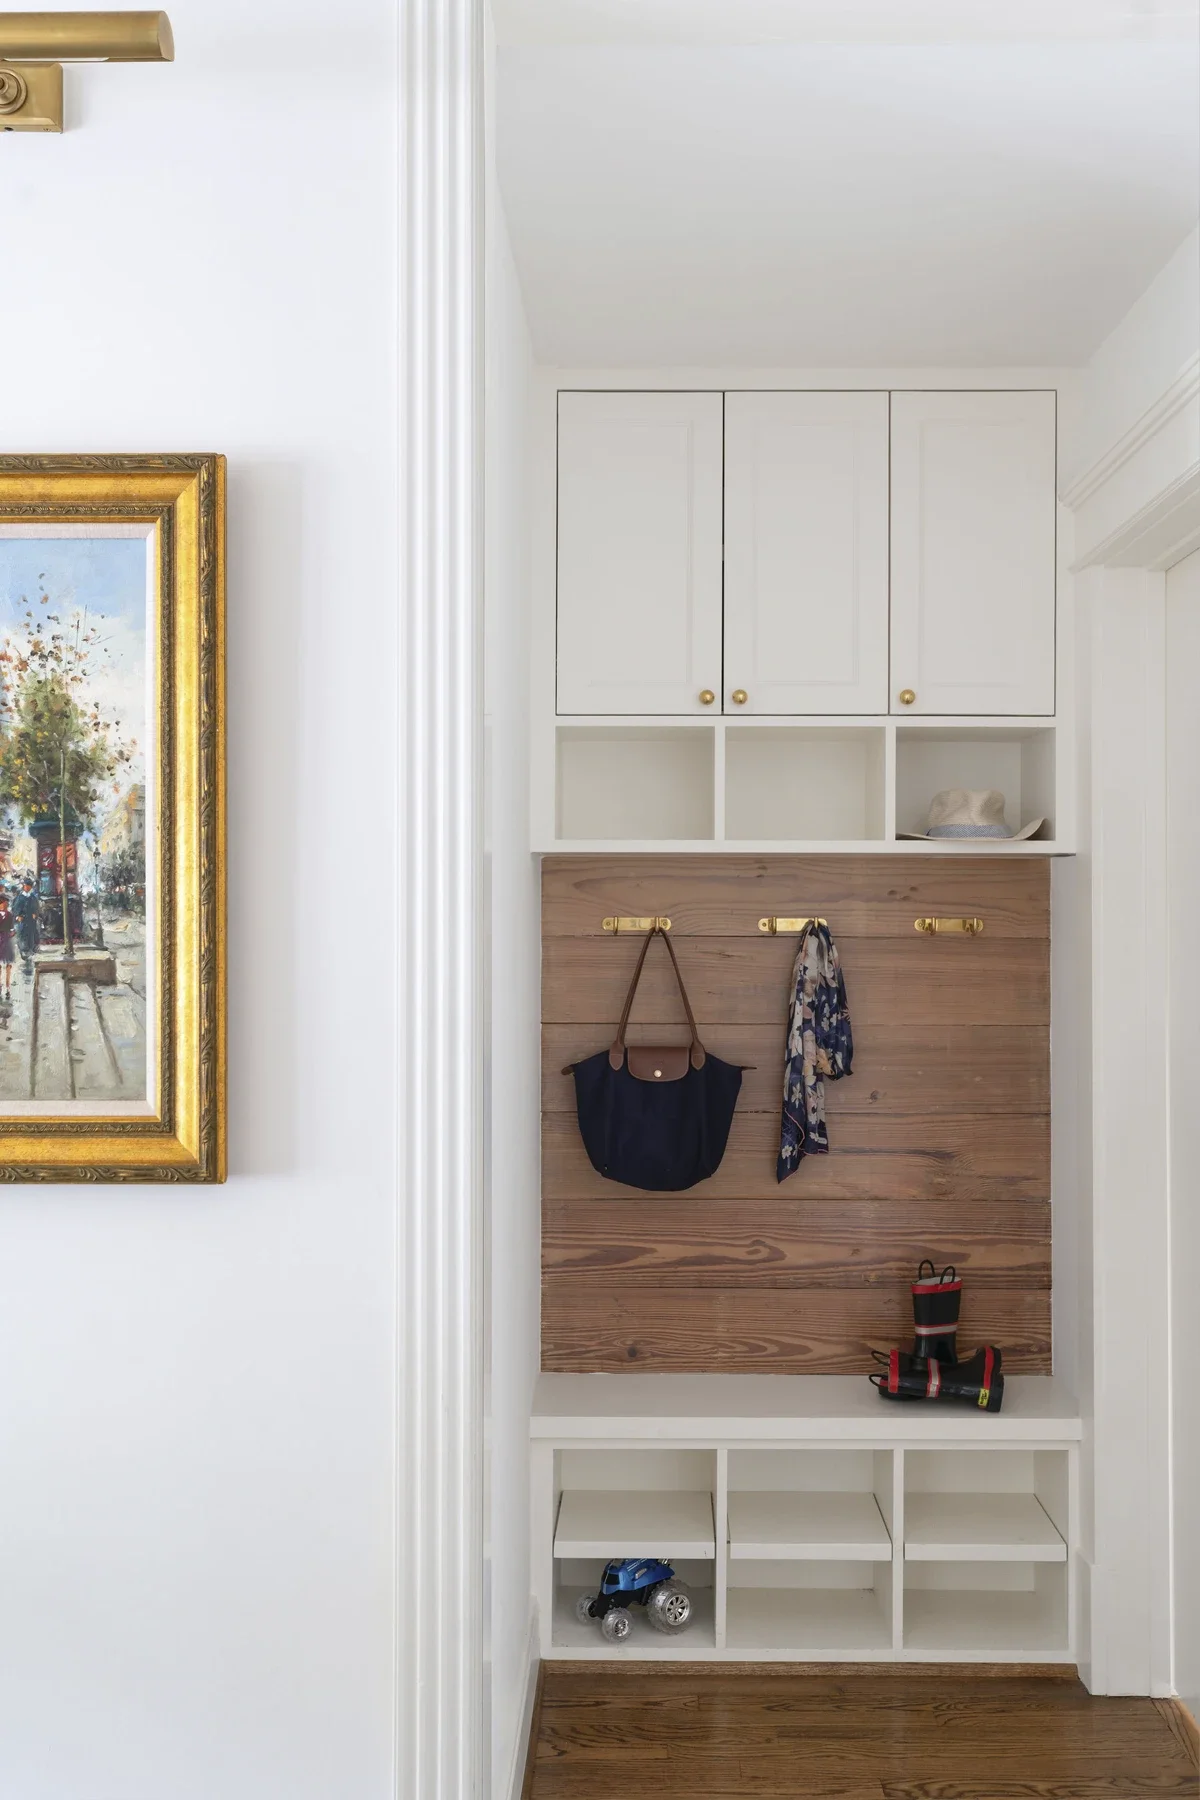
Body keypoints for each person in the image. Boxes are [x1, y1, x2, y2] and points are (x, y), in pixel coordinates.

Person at [13, 874, 39, 976]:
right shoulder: (20, 897)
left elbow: (36, 907)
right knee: (22, 934)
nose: (27, 887)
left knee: (31, 933)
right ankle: (24, 951)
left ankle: (31, 949)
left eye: (29, 886)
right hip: (23, 919)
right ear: (23, 886)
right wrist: (18, 915)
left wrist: (35, 914)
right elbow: (15, 908)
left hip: (31, 919)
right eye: (26, 886)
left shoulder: (32, 897)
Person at [0, 889, 16, 996]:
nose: (4, 905)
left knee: (8, 964)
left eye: (5, 903)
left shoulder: (9, 915)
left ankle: (7, 987)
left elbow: (12, 928)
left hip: (7, 939)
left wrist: (12, 933)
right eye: (2, 903)